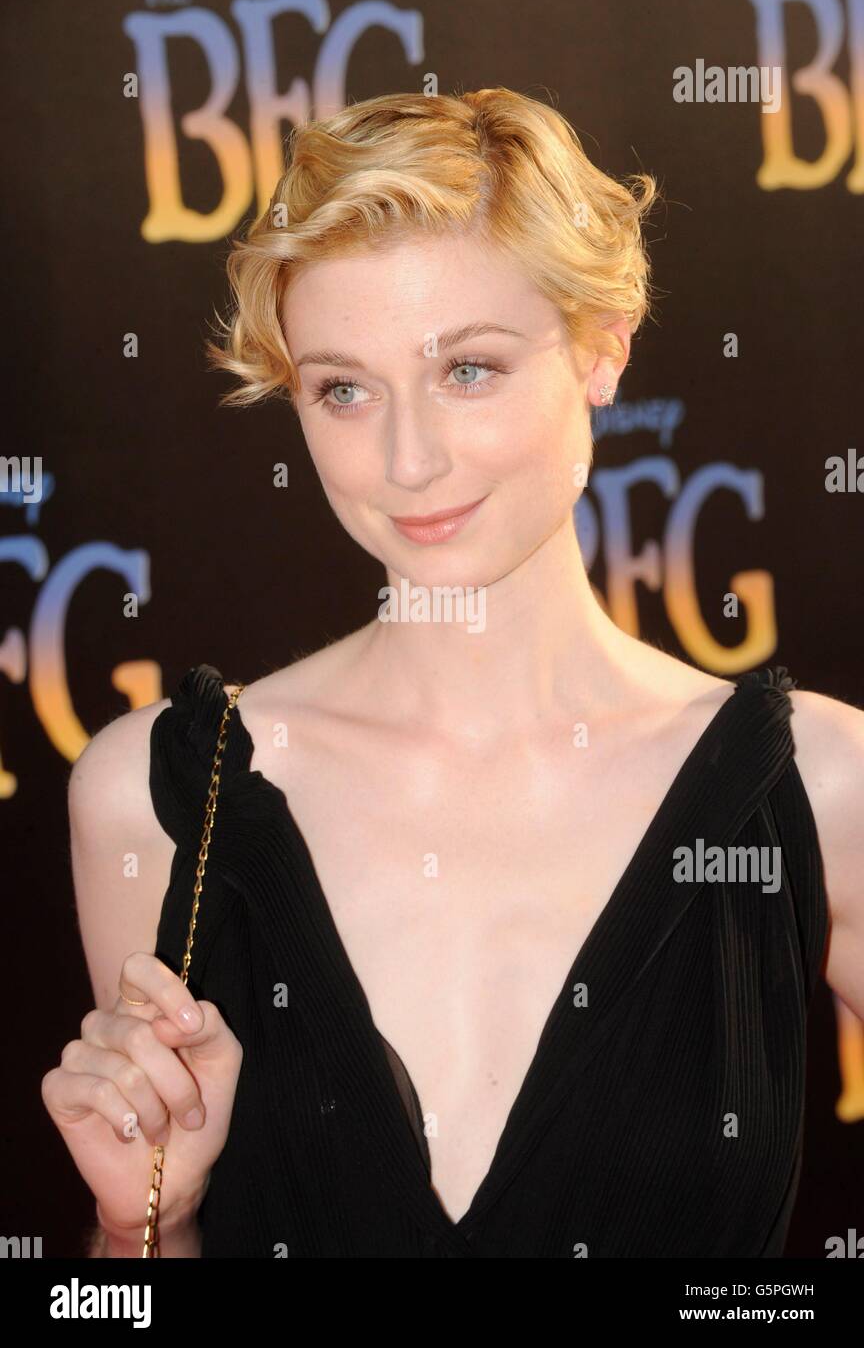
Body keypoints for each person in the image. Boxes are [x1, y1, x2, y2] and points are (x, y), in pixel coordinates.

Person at [43, 88, 864, 1258]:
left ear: (603, 346)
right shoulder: (160, 797)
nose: (408, 457)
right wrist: (143, 1224)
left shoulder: (824, 789)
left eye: (468, 370)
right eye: (343, 388)